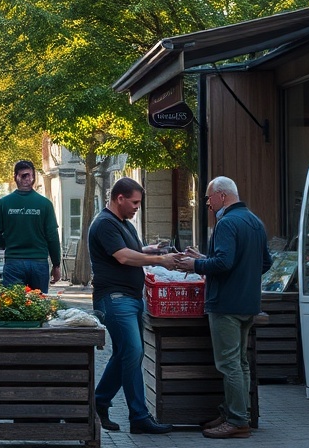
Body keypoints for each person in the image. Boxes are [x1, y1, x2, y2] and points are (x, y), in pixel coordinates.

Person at [177, 176, 272, 440]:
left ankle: (237, 421)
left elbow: (223, 264)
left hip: (226, 304)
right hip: (247, 303)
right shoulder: (254, 221)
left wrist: (195, 265)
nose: (207, 203)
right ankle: (236, 413)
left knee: (229, 363)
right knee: (239, 362)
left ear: (221, 195)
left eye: (208, 198)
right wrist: (208, 260)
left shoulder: (226, 223)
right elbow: (265, 262)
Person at [89, 177, 177, 436]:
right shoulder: (105, 223)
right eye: (135, 202)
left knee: (126, 354)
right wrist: (160, 259)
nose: (138, 207)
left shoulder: (123, 224)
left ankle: (99, 401)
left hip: (130, 299)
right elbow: (123, 255)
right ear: (120, 198)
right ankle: (138, 416)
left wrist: (151, 249)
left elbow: (133, 249)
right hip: (115, 300)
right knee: (133, 351)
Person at [0, 159, 61, 293]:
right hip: (39, 261)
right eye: (24, 175)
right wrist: (56, 264)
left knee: (14, 304)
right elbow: (52, 236)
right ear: (16, 177)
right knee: (39, 304)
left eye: (29, 175)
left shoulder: (4, 203)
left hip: (14, 261)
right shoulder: (44, 204)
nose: (27, 179)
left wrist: (9, 243)